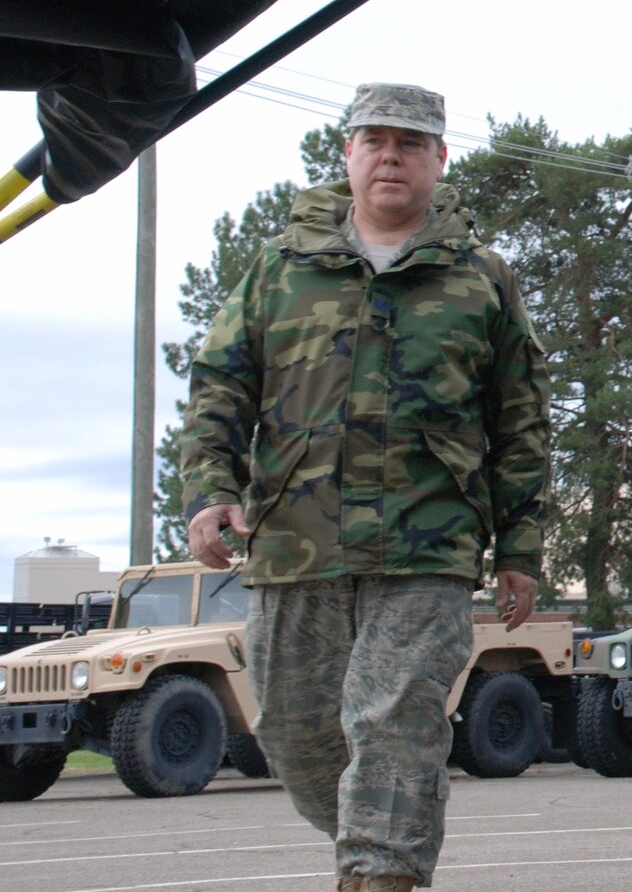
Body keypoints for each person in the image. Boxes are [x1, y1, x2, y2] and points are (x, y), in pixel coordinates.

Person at [180, 83, 551, 892]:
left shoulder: (479, 277)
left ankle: (380, 873)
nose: (391, 156)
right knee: (299, 734)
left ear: (439, 160)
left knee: (395, 720)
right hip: (295, 544)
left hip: (428, 546)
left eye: (411, 144)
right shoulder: (281, 269)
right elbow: (218, 388)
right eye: (375, 140)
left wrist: (521, 547)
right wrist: (211, 491)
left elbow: (520, 420)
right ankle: (373, 837)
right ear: (346, 153)